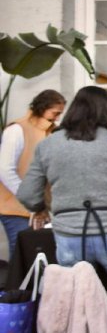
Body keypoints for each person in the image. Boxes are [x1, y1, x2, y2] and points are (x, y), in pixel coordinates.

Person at [16, 86, 107, 310]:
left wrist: (40, 208)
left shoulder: (48, 144)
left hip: (69, 234)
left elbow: (27, 193)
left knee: (74, 297)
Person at [0, 89, 66, 259]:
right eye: (55, 113)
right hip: (16, 207)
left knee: (38, 256)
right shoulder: (16, 130)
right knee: (22, 257)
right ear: (42, 108)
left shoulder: (53, 131)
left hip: (40, 207)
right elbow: (5, 170)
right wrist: (31, 199)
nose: (57, 118)